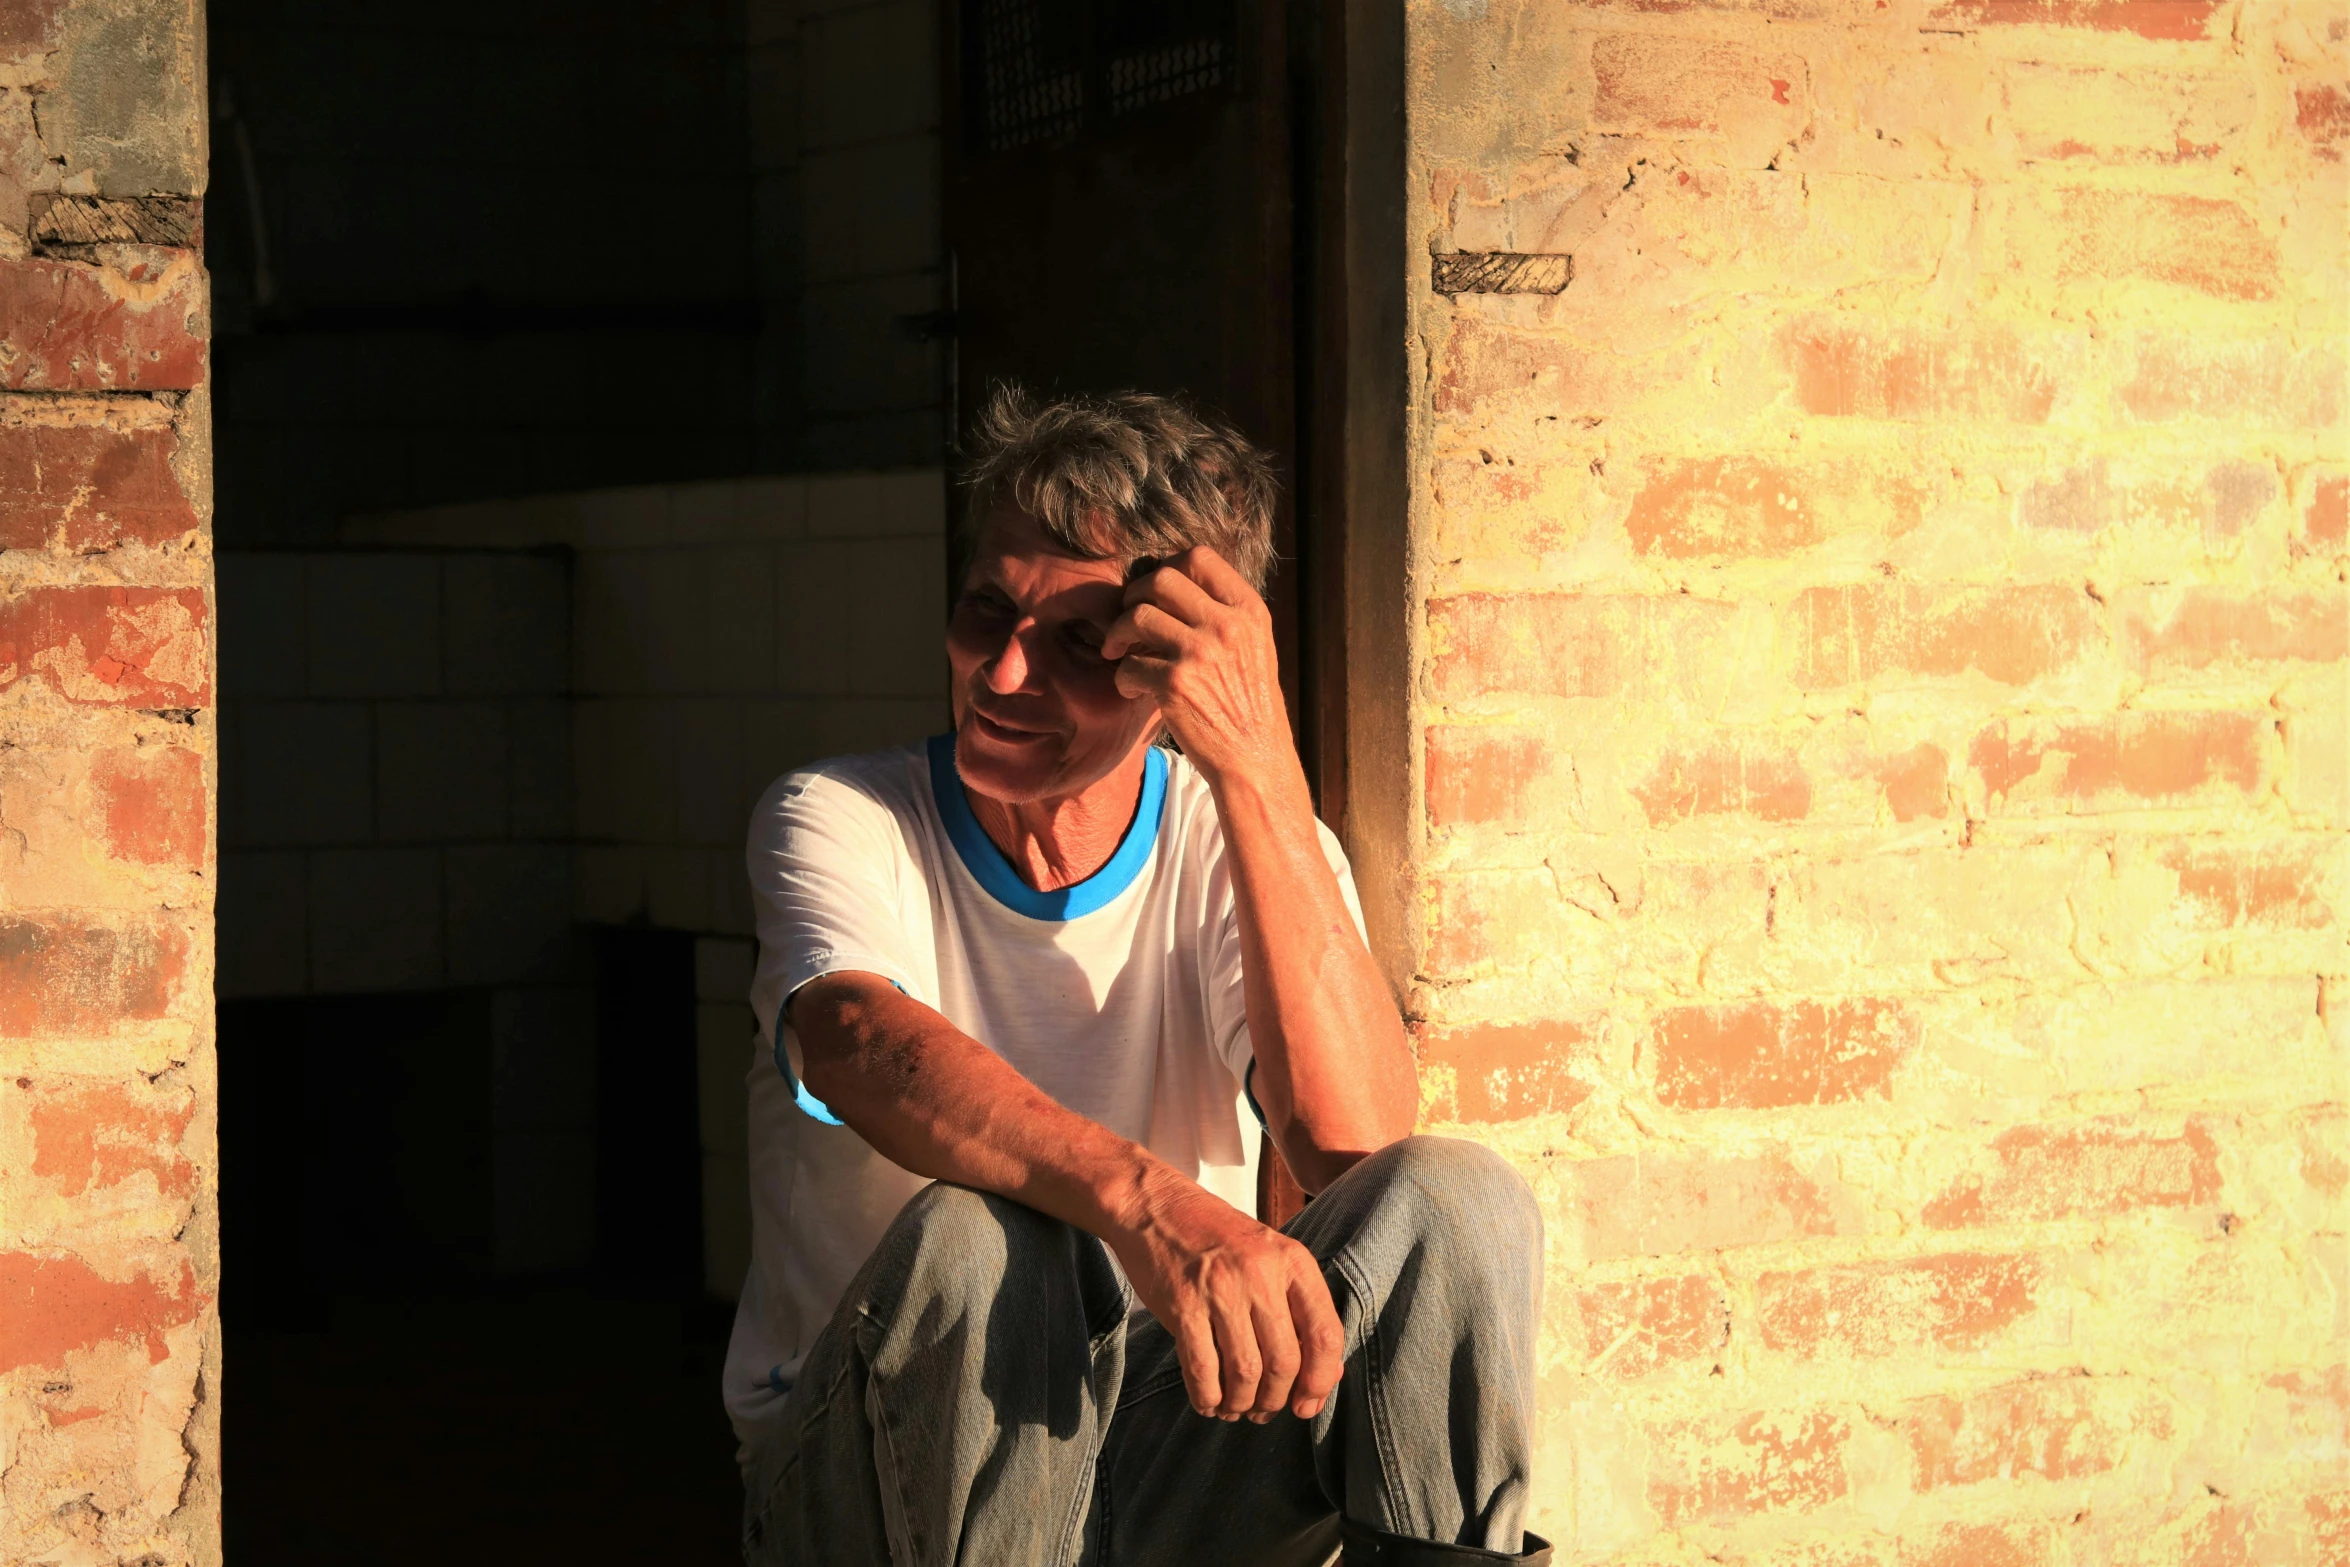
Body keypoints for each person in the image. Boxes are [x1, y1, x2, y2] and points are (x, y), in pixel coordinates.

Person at [726, 386, 1551, 1566]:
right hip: (873, 1480)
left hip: (1154, 1450)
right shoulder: (843, 816)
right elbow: (859, 1038)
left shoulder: (1240, 839)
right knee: (984, 1241)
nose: (1002, 675)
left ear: (1173, 665)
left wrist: (1257, 756)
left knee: (1457, 1196)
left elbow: (1349, 1144)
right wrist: (1149, 1205)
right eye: (985, 612)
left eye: (1077, 642)